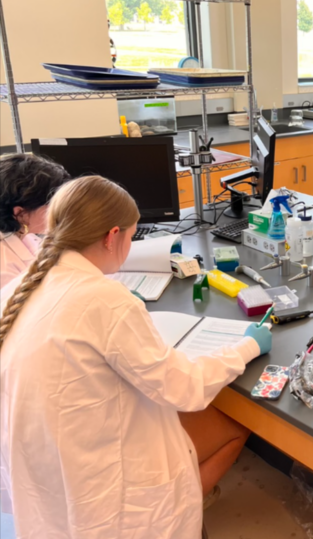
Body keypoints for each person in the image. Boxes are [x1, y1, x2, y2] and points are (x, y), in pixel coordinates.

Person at [0, 176, 272, 538]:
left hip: (46, 469)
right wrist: (249, 346)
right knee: (238, 423)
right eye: (130, 238)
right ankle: (192, 498)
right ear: (112, 236)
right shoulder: (105, 300)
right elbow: (184, 388)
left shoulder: (18, 288)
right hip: (104, 481)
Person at [0, 153, 69, 290]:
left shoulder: (23, 235)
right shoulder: (5, 268)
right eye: (53, 204)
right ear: (20, 214)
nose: (61, 210)